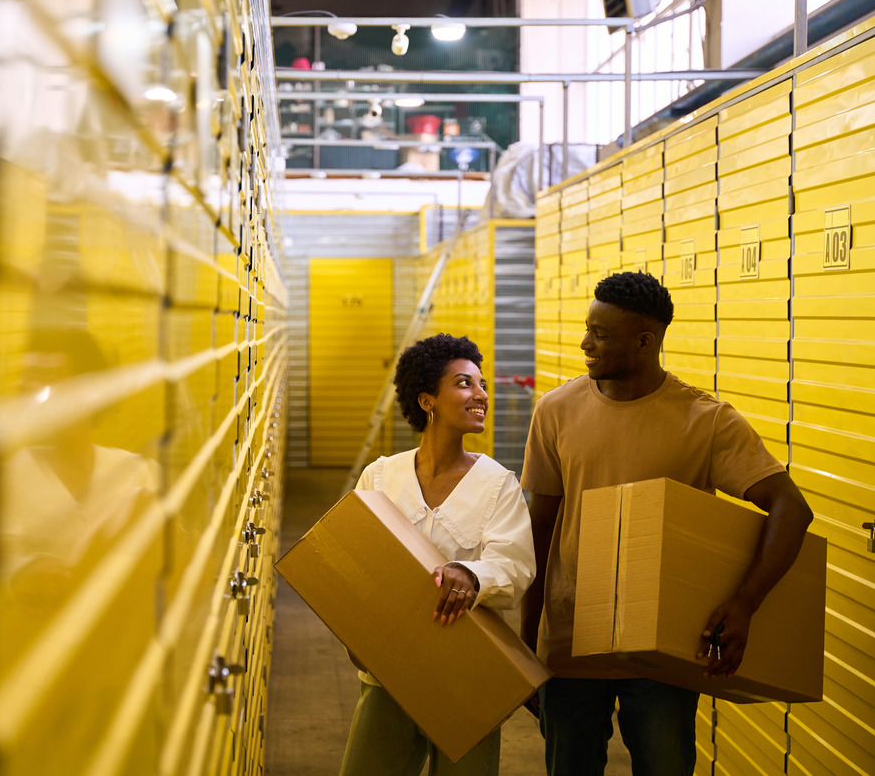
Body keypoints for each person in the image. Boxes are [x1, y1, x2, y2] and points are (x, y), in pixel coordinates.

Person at [519, 271, 814, 776]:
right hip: (572, 638)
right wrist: (526, 642)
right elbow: (539, 528)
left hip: (663, 646)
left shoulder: (706, 421)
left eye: (601, 334)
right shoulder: (555, 411)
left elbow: (792, 509)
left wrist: (745, 604)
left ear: (645, 342)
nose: (585, 343)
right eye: (588, 329)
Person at [339, 333, 536, 776]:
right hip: (389, 676)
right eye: (465, 384)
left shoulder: (497, 482)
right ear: (427, 400)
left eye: (482, 385)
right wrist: (356, 639)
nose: (481, 395)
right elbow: (352, 562)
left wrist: (471, 574)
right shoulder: (381, 476)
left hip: (466, 676)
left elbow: (516, 565)